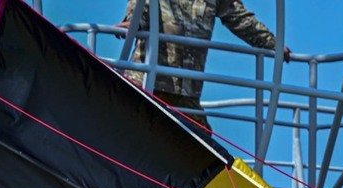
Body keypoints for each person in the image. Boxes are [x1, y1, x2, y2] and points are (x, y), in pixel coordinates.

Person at [119, 0, 291, 130]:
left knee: (201, 146)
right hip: (146, 84)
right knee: (135, 138)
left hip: (187, 92)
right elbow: (140, 9)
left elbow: (238, 18)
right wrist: (131, 24)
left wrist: (271, 43)